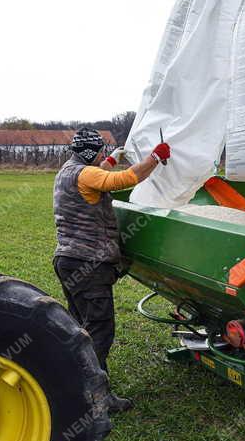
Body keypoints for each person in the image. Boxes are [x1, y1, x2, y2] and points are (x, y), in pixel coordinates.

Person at [53, 128, 170, 413]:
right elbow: (125, 180)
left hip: (69, 261)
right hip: (88, 263)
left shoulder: (68, 171)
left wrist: (113, 160)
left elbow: (99, 178)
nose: (103, 155)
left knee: (83, 330)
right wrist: (155, 157)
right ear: (89, 152)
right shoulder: (86, 174)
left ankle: (75, 385)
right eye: (101, 151)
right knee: (100, 332)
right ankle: (95, 398)